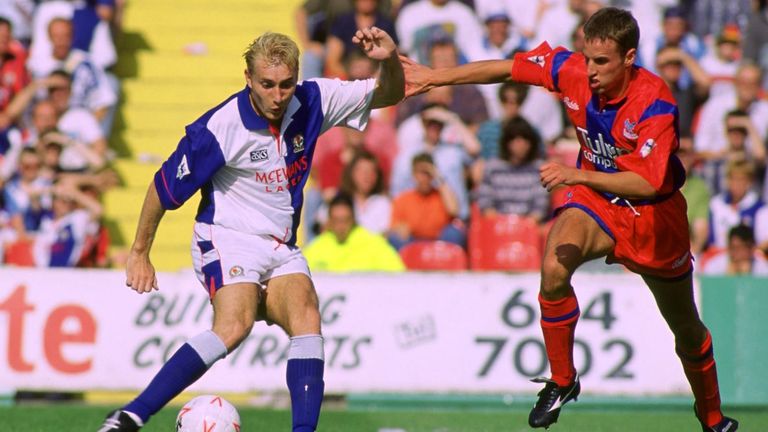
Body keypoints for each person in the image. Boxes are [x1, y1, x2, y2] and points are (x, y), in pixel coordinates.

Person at [401, 7, 738, 431]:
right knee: (554, 266)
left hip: (653, 218)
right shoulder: (572, 70)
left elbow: (649, 184)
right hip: (597, 200)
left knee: (686, 328)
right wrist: (435, 77)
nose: (590, 70)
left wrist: (575, 172)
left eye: (602, 62)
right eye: (587, 57)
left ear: (629, 58)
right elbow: (507, 69)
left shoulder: (655, 102)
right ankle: (563, 381)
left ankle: (710, 417)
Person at [97, 27, 404, 431]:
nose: (278, 95)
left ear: (297, 77)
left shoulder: (312, 99)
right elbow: (163, 186)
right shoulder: (220, 129)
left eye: (286, 84)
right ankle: (130, 416)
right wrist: (140, 251)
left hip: (279, 243)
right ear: (248, 78)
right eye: (267, 85)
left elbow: (390, 93)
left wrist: (394, 59)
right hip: (227, 236)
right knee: (233, 326)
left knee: (307, 315)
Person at [303, 193, 404, 272]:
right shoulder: (317, 247)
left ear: (353, 220)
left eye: (345, 220)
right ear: (329, 221)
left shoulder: (373, 243)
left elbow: (397, 274)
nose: (340, 226)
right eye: (336, 220)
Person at [701, 223, 768, 275]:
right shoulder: (714, 266)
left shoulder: (762, 268)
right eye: (735, 248)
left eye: (743, 248)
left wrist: (747, 277)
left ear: (751, 248)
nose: (739, 253)